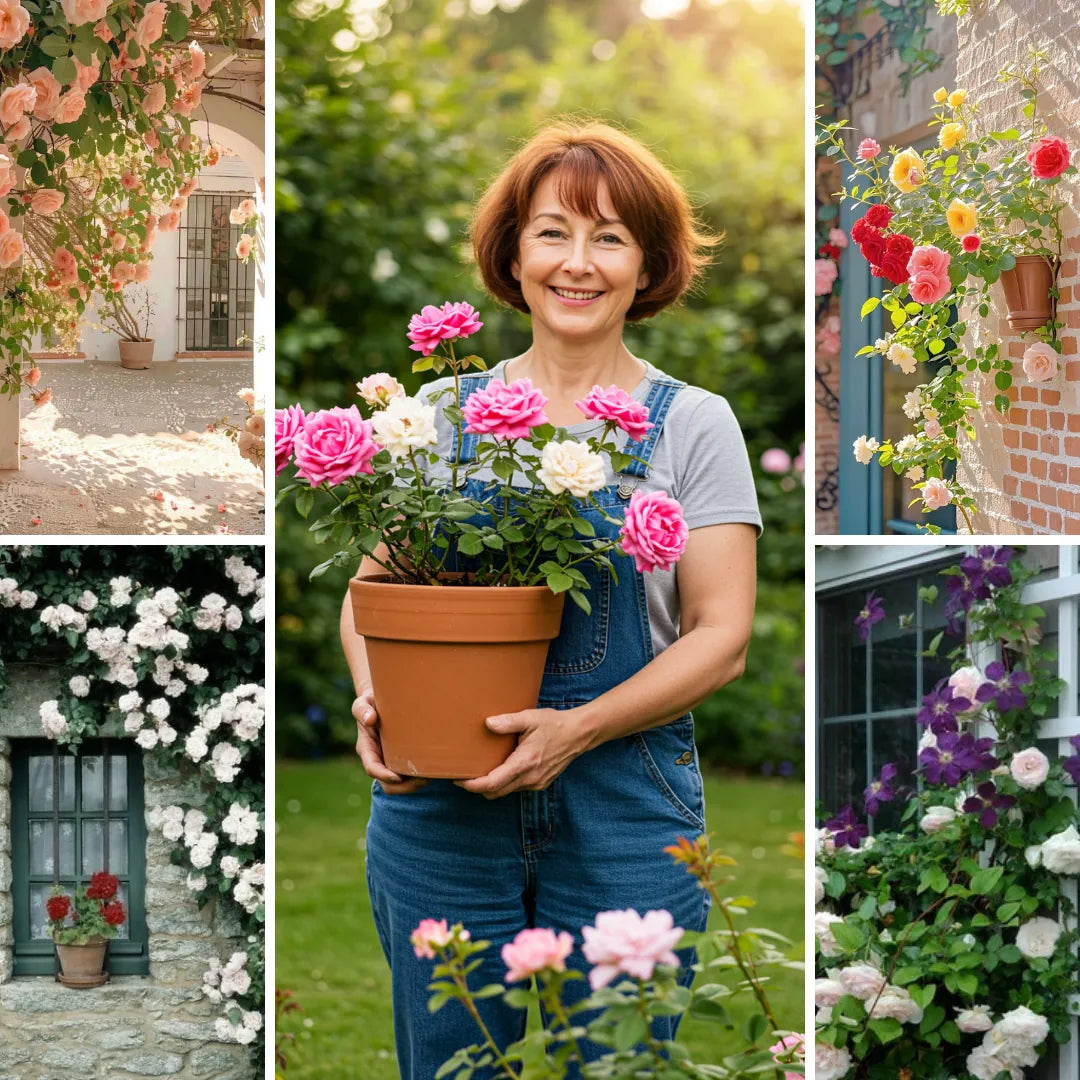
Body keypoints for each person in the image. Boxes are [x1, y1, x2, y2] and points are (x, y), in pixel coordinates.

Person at [340, 120, 761, 1079]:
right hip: (440, 805)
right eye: (553, 231)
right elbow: (371, 595)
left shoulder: (692, 425)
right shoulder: (441, 416)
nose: (579, 263)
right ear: (513, 253)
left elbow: (722, 634)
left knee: (611, 1065)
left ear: (649, 263)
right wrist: (379, 700)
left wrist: (575, 731)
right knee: (453, 1065)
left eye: (609, 237)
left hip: (623, 802)